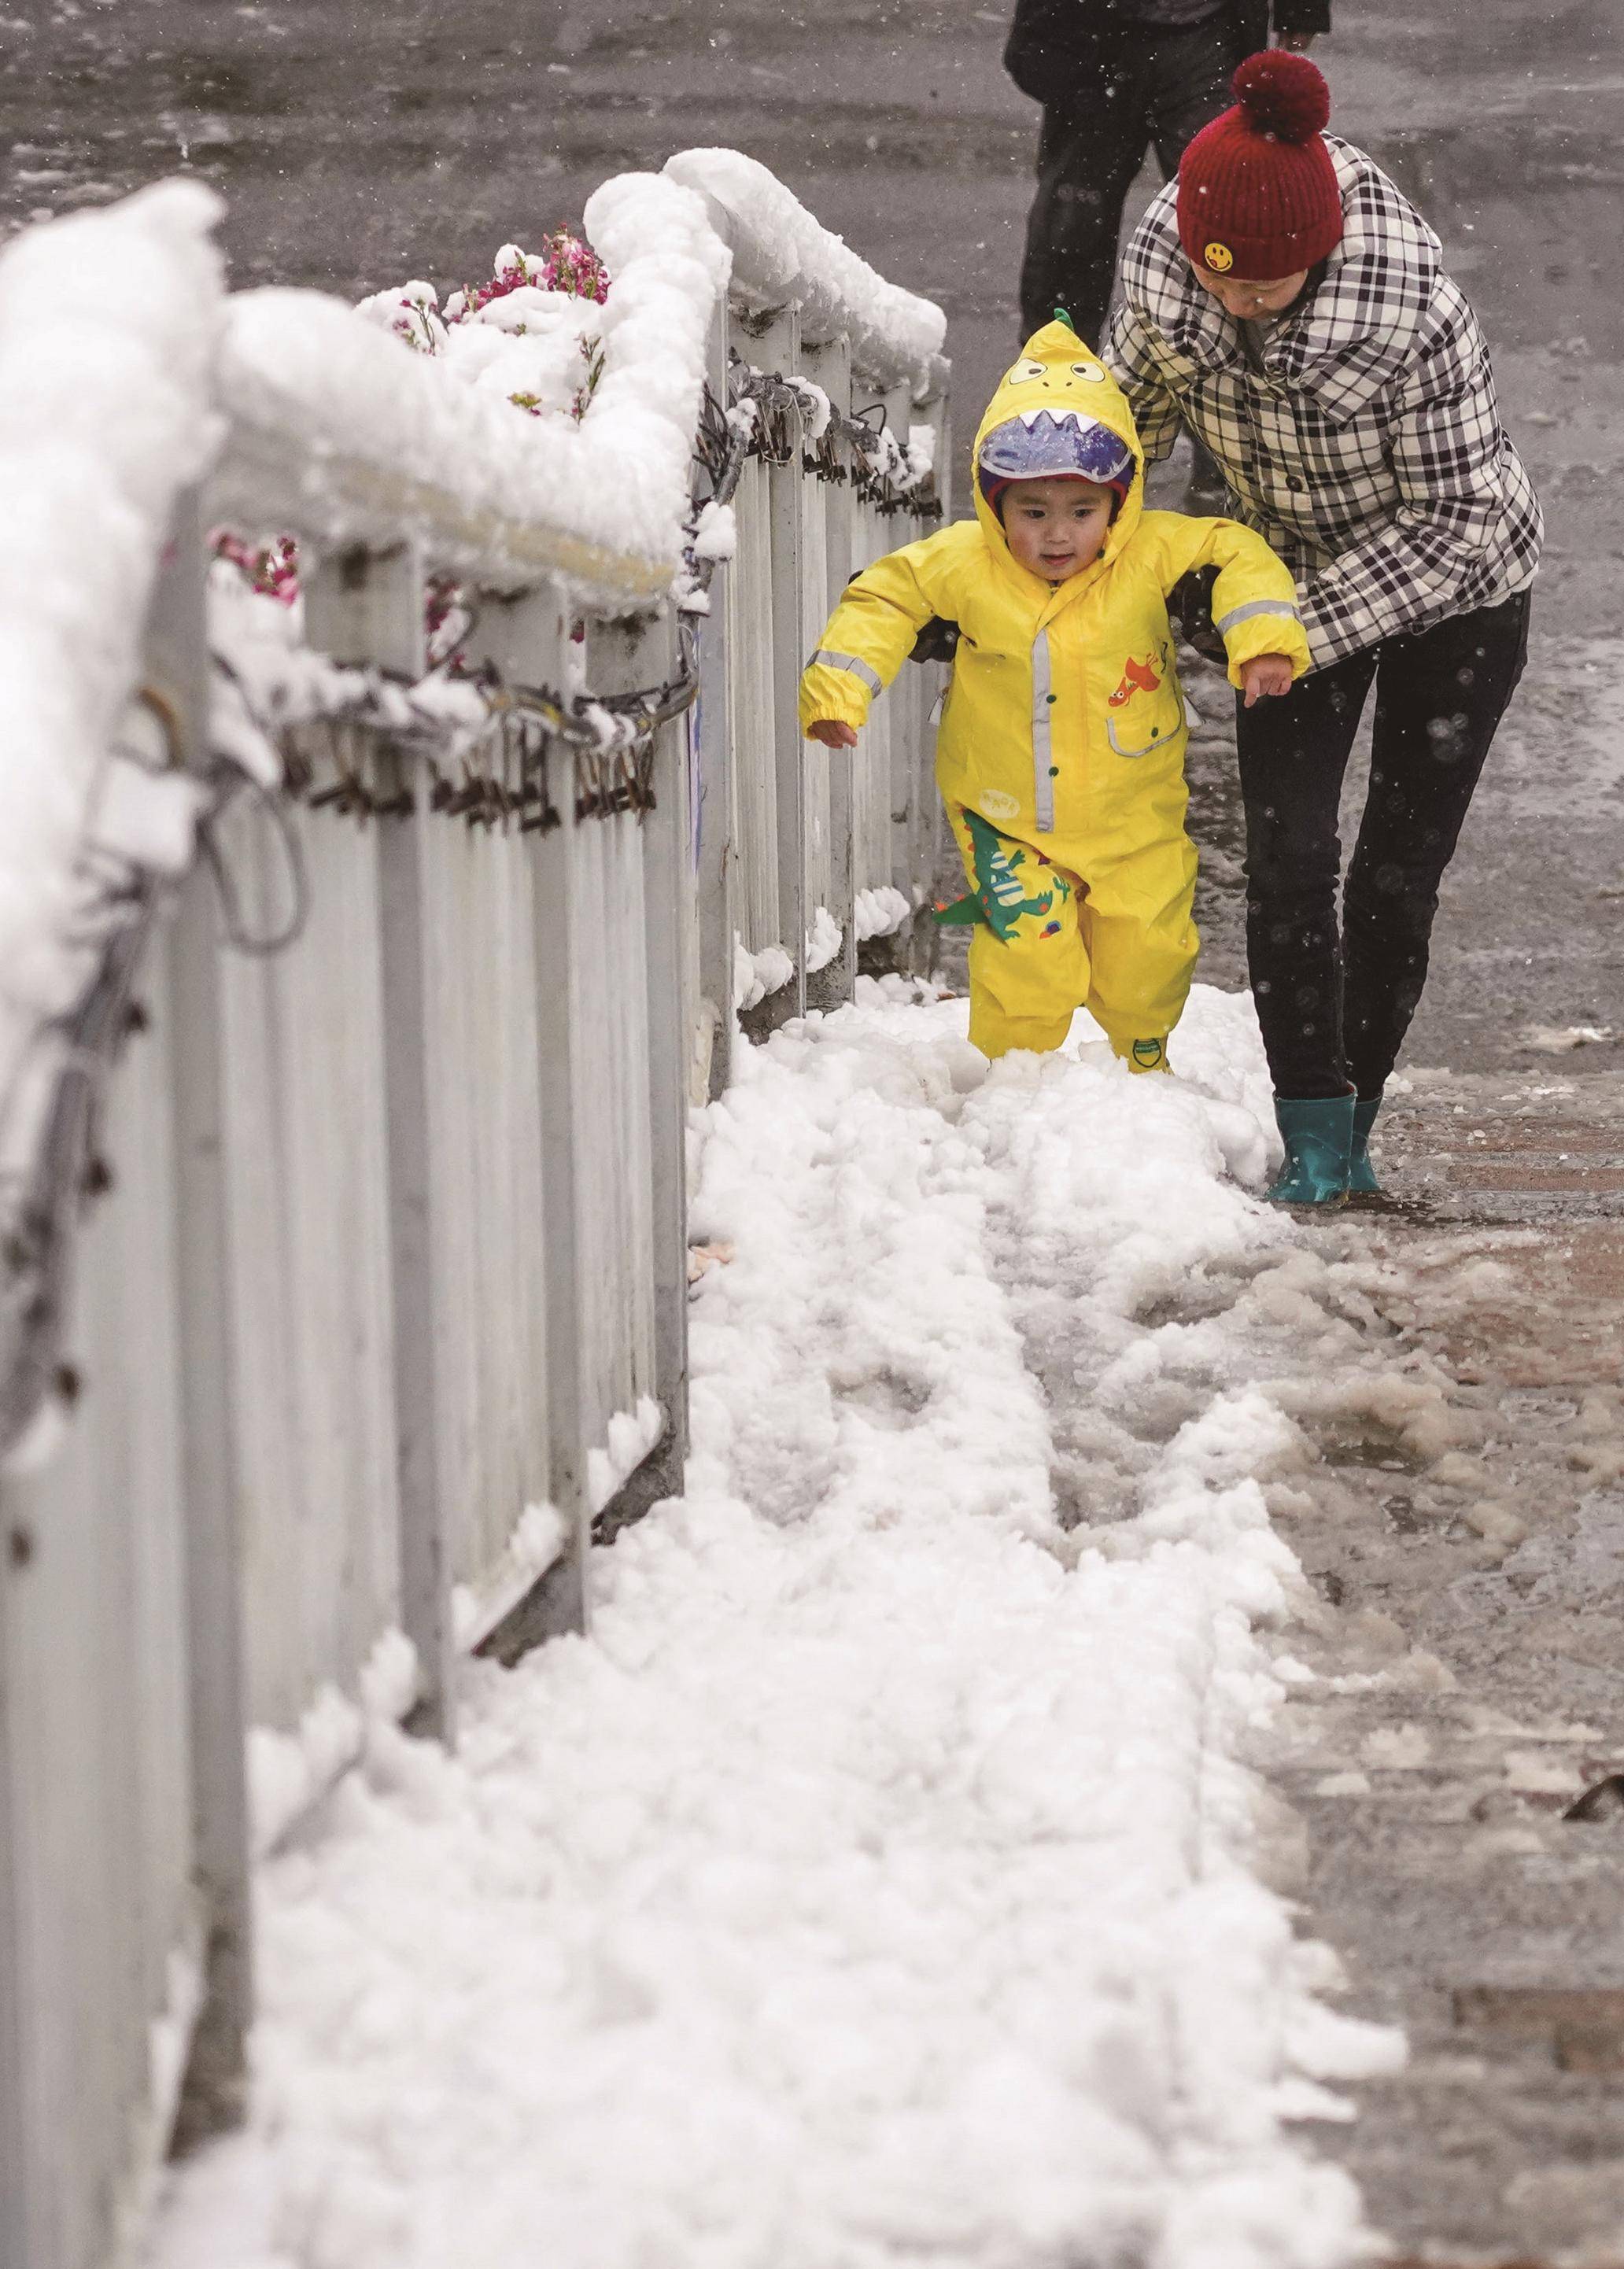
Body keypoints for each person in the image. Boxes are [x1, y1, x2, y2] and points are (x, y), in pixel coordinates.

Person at [1105, 51, 1542, 1203]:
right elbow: (1124, 422)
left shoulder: (1412, 308)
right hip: (1280, 576)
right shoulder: (1169, 261)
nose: (1237, 303)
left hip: (1456, 591)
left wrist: (1285, 627)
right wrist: (1082, 552)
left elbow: (1454, 516)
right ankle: (1309, 1144)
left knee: (1397, 872)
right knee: (1289, 858)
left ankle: (1357, 1126)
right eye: (1222, 280)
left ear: (1322, 252)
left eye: (1267, 286)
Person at [798, 320, 1308, 1072]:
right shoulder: (965, 563)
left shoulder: (1152, 552)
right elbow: (884, 599)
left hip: (1135, 815)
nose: (1058, 535)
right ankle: (1016, 1076)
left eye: (1082, 512)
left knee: (1149, 952)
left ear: (1120, 504)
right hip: (1006, 816)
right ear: (996, 502)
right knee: (1027, 957)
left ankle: (1143, 1063)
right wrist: (840, 690)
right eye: (1033, 512)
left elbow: (1238, 553)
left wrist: (1261, 637)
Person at [1008, 0, 1330, 352]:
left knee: (1232, 217)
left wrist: (1302, 8)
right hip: (1090, 30)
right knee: (1073, 221)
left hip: (1209, 33)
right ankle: (1054, 372)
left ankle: (1238, 371)